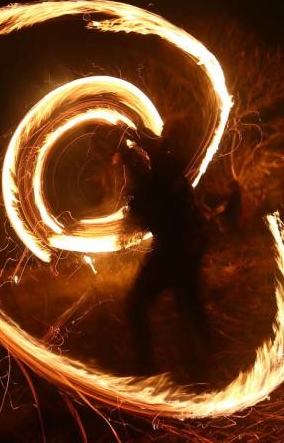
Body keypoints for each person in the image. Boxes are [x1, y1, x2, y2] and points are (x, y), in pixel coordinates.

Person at [118, 128, 212, 380]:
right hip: (185, 246)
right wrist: (131, 147)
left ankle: (148, 371)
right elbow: (139, 216)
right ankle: (206, 362)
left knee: (137, 305)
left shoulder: (163, 173)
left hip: (175, 249)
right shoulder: (159, 178)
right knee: (190, 306)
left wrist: (136, 140)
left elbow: (147, 209)